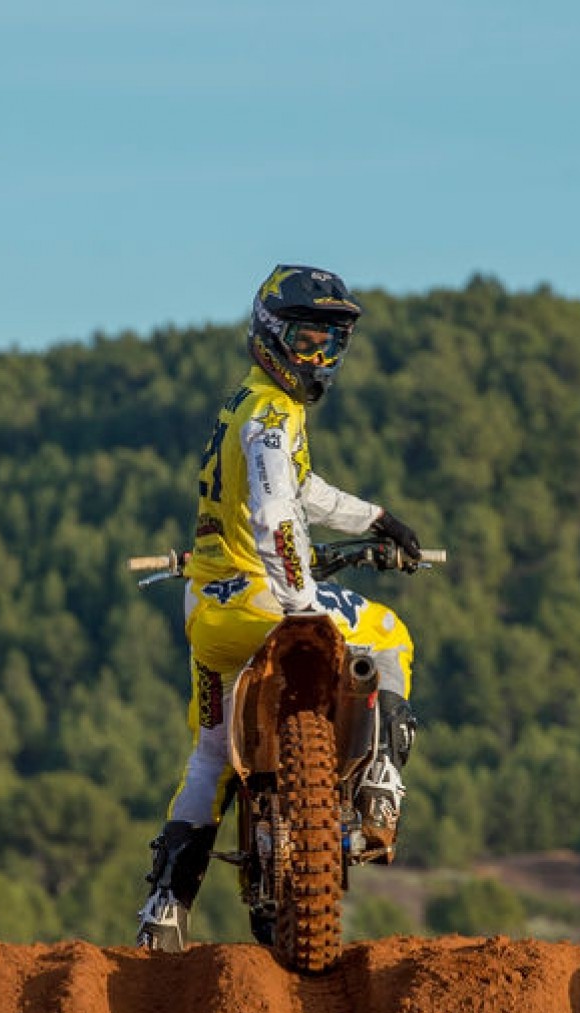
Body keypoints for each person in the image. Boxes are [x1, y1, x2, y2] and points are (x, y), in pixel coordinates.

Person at [134, 264, 429, 952]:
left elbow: (303, 489)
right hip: (266, 598)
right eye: (306, 341)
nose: (319, 358)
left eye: (332, 345)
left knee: (210, 755)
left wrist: (374, 517)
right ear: (271, 335)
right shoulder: (273, 416)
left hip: (210, 608)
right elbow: (276, 512)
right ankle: (382, 779)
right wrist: (301, 604)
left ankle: (165, 907)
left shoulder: (249, 403)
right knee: (388, 634)